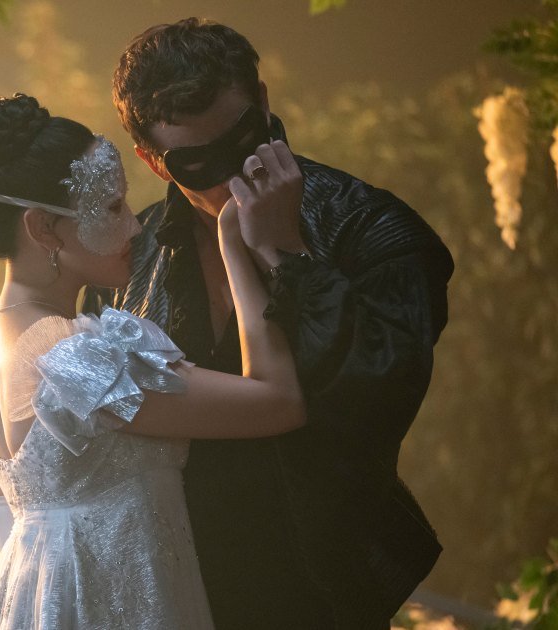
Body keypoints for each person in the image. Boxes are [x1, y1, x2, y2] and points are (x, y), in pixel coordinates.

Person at [88, 17, 455, 628]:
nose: (232, 174)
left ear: (263, 103)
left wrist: (288, 257)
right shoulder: (128, 257)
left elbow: (380, 395)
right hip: (177, 583)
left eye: (243, 141)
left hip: (322, 585)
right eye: (198, 163)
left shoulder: (372, 228)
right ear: (153, 162)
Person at [0, 93, 308, 629]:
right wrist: (234, 242)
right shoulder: (75, 360)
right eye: (111, 209)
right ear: (42, 229)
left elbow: (8, 534)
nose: (135, 227)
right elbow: (279, 403)